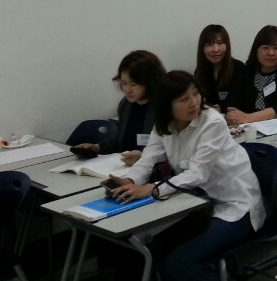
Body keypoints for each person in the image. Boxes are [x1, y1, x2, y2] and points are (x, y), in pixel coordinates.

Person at [109, 71, 265, 281]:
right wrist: (131, 181)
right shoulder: (163, 124)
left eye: (195, 94)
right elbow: (148, 159)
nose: (194, 102)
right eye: (183, 99)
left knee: (178, 262)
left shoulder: (212, 122)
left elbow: (198, 173)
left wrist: (153, 189)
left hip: (234, 207)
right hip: (196, 205)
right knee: (154, 249)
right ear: (167, 105)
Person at [73, 50, 165, 164]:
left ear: (150, 81)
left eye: (133, 84)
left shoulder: (164, 107)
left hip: (151, 168)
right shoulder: (126, 104)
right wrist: (97, 147)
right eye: (124, 83)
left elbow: (170, 150)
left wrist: (142, 157)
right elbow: (120, 139)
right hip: (123, 165)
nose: (127, 89)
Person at [226, 25, 277, 126]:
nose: (271, 53)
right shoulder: (248, 70)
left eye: (276, 48)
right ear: (256, 50)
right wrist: (233, 115)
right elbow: (234, 102)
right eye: (265, 48)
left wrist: (248, 118)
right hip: (250, 128)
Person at [193, 24, 246, 113]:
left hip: (234, 117)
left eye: (220, 43)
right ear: (202, 48)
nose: (215, 49)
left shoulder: (239, 68)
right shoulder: (199, 71)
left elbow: (238, 99)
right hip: (209, 117)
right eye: (209, 44)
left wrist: (217, 108)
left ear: (227, 45)